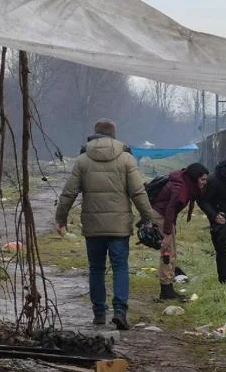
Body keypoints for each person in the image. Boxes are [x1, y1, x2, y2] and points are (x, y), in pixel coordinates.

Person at [55, 119, 160, 330]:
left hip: (93, 226)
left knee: (96, 268)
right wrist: (148, 218)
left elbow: (69, 192)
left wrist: (61, 218)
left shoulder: (83, 160)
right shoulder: (126, 159)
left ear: (94, 135)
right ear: (114, 136)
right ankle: (120, 311)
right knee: (120, 267)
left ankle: (99, 314)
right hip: (119, 226)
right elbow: (138, 193)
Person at [149, 162, 209, 301]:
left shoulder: (186, 182)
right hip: (161, 215)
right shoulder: (180, 188)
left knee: (171, 252)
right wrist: (168, 234)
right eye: (202, 179)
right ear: (194, 178)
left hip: (165, 216)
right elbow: (170, 210)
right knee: (167, 252)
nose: (205, 182)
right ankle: (166, 290)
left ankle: (168, 287)